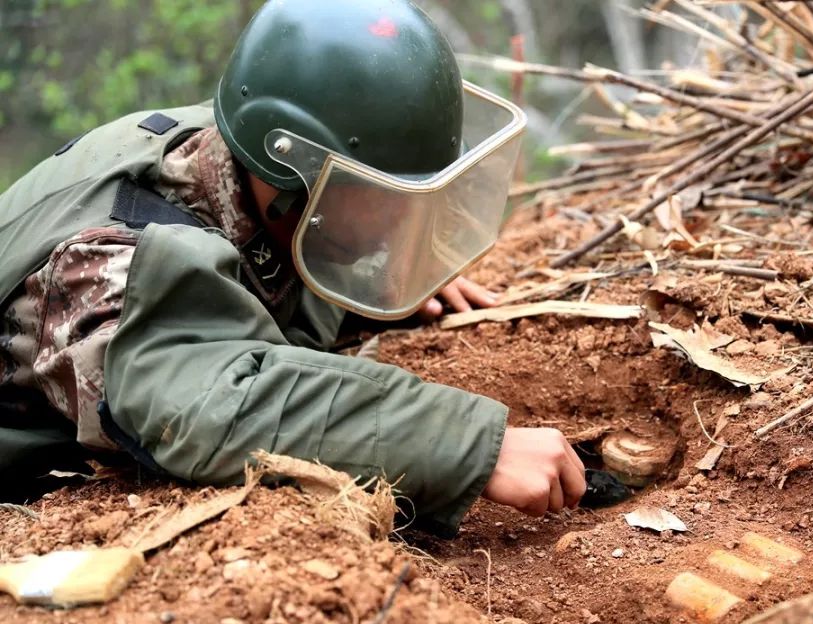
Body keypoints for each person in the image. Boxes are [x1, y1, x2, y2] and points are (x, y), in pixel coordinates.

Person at [0, 0, 585, 536]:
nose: (399, 218)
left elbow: (280, 244)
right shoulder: (107, 264)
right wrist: (468, 444)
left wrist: (387, 265)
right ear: (297, 176)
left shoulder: (246, 148)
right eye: (387, 196)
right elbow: (207, 407)